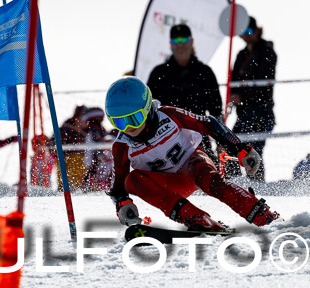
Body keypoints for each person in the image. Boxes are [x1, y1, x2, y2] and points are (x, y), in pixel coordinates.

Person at [104, 76, 279, 232]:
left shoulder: (168, 116)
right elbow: (118, 186)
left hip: (192, 162)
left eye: (134, 119)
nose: (129, 128)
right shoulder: (122, 146)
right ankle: (198, 219)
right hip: (170, 184)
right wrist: (122, 204)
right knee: (131, 181)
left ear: (148, 108)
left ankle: (264, 216)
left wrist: (240, 148)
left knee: (212, 182)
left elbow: (208, 124)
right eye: (119, 122)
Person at [148, 24, 223, 164]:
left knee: (213, 172)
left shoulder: (205, 72)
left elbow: (216, 108)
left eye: (184, 39)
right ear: (171, 44)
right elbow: (148, 109)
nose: (180, 44)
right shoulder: (159, 74)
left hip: (199, 136)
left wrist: (221, 139)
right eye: (176, 41)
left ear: (192, 41)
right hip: (164, 139)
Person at [227, 16, 277, 181]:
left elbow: (264, 83)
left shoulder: (267, 51)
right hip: (244, 113)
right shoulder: (241, 54)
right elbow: (234, 80)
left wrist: (243, 97)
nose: (247, 35)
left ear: (257, 31)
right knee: (231, 145)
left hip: (261, 110)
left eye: (250, 31)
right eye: (243, 32)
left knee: (254, 150)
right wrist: (233, 95)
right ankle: (234, 183)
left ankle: (258, 185)